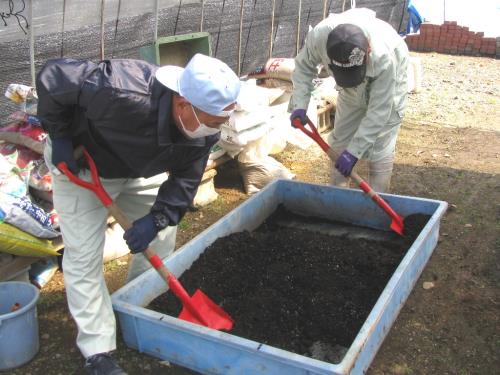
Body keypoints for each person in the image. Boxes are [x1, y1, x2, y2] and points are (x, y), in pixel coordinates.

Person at [36, 53, 240, 375]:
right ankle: (97, 351)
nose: (217, 129)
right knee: (84, 257)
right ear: (183, 103)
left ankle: (136, 304)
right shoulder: (119, 90)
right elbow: (55, 75)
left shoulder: (204, 131)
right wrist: (59, 134)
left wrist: (157, 218)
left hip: (138, 169)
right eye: (214, 120)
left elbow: (185, 180)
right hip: (83, 163)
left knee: (161, 236)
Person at [289, 8, 409, 192]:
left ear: (368, 49)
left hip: (390, 85)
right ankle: (339, 198)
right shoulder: (319, 37)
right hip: (350, 93)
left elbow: (379, 112)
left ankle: (378, 200)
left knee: (380, 146)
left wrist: (354, 153)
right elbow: (303, 68)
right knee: (339, 145)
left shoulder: (384, 57)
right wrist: (299, 105)